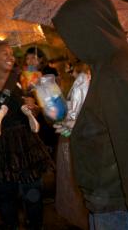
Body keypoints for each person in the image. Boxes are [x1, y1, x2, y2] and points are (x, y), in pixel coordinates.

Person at [52, 0, 128, 229]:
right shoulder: (116, 62)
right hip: (115, 201)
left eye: (72, 35)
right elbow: (114, 123)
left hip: (120, 208)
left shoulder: (117, 72)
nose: (70, 45)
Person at [0, 42, 52, 230]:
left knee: (33, 192)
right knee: (5, 196)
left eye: (11, 54)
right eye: (4, 54)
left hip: (25, 144)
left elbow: (38, 109)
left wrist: (33, 105)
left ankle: (35, 226)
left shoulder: (22, 79)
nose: (10, 57)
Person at [53, 62, 90, 229]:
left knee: (78, 182)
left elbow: (75, 111)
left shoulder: (84, 79)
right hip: (75, 135)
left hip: (81, 138)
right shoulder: (78, 79)